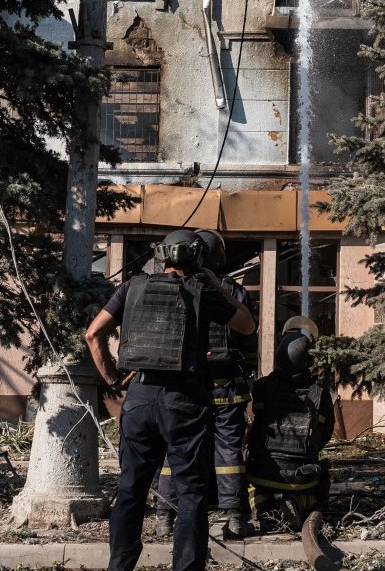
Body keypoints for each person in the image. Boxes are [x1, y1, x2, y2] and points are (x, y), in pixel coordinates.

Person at [85, 229, 256, 571]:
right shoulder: (203, 291)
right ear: (199, 258)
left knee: (131, 488)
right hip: (184, 400)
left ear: (161, 256)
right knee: (191, 493)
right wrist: (215, 283)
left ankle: (119, 566)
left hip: (139, 398)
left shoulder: (131, 286)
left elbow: (92, 333)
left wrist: (113, 380)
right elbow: (247, 325)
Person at [156, 229, 256, 538]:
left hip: (184, 385)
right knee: (229, 450)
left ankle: (164, 516)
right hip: (227, 385)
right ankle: (236, 517)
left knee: (176, 448)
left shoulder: (175, 288)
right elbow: (248, 339)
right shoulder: (234, 292)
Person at [245, 316, 336, 534]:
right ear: (308, 360)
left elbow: (254, 425)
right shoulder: (320, 394)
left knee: (252, 486)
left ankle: (263, 508)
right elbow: (325, 435)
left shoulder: (262, 387)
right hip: (301, 475)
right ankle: (297, 500)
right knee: (319, 481)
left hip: (263, 471)